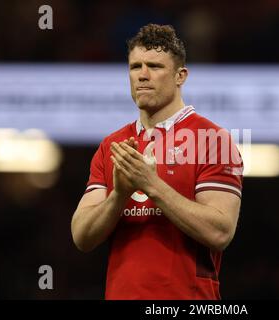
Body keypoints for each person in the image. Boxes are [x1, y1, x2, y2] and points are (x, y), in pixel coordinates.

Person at [71, 24, 243, 300]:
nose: (143, 75)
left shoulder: (213, 140)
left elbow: (220, 232)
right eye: (135, 66)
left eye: (155, 66)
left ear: (180, 76)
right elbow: (81, 236)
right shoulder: (112, 145)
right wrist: (120, 195)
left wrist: (151, 184)